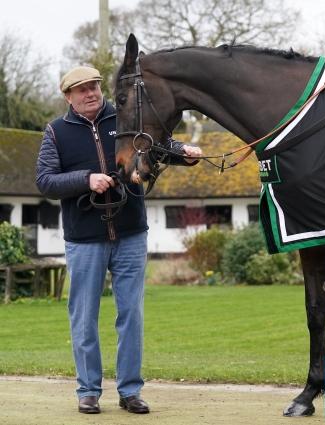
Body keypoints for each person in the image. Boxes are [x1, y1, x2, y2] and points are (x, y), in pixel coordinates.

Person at [36, 66, 202, 414]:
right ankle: (88, 391)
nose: (90, 93)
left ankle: (130, 391)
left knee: (131, 317)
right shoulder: (56, 132)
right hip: (84, 240)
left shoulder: (126, 117)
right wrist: (86, 179)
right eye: (82, 89)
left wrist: (183, 153)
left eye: (94, 86)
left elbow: (157, 145)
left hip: (130, 234)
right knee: (84, 318)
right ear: (68, 97)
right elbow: (46, 181)